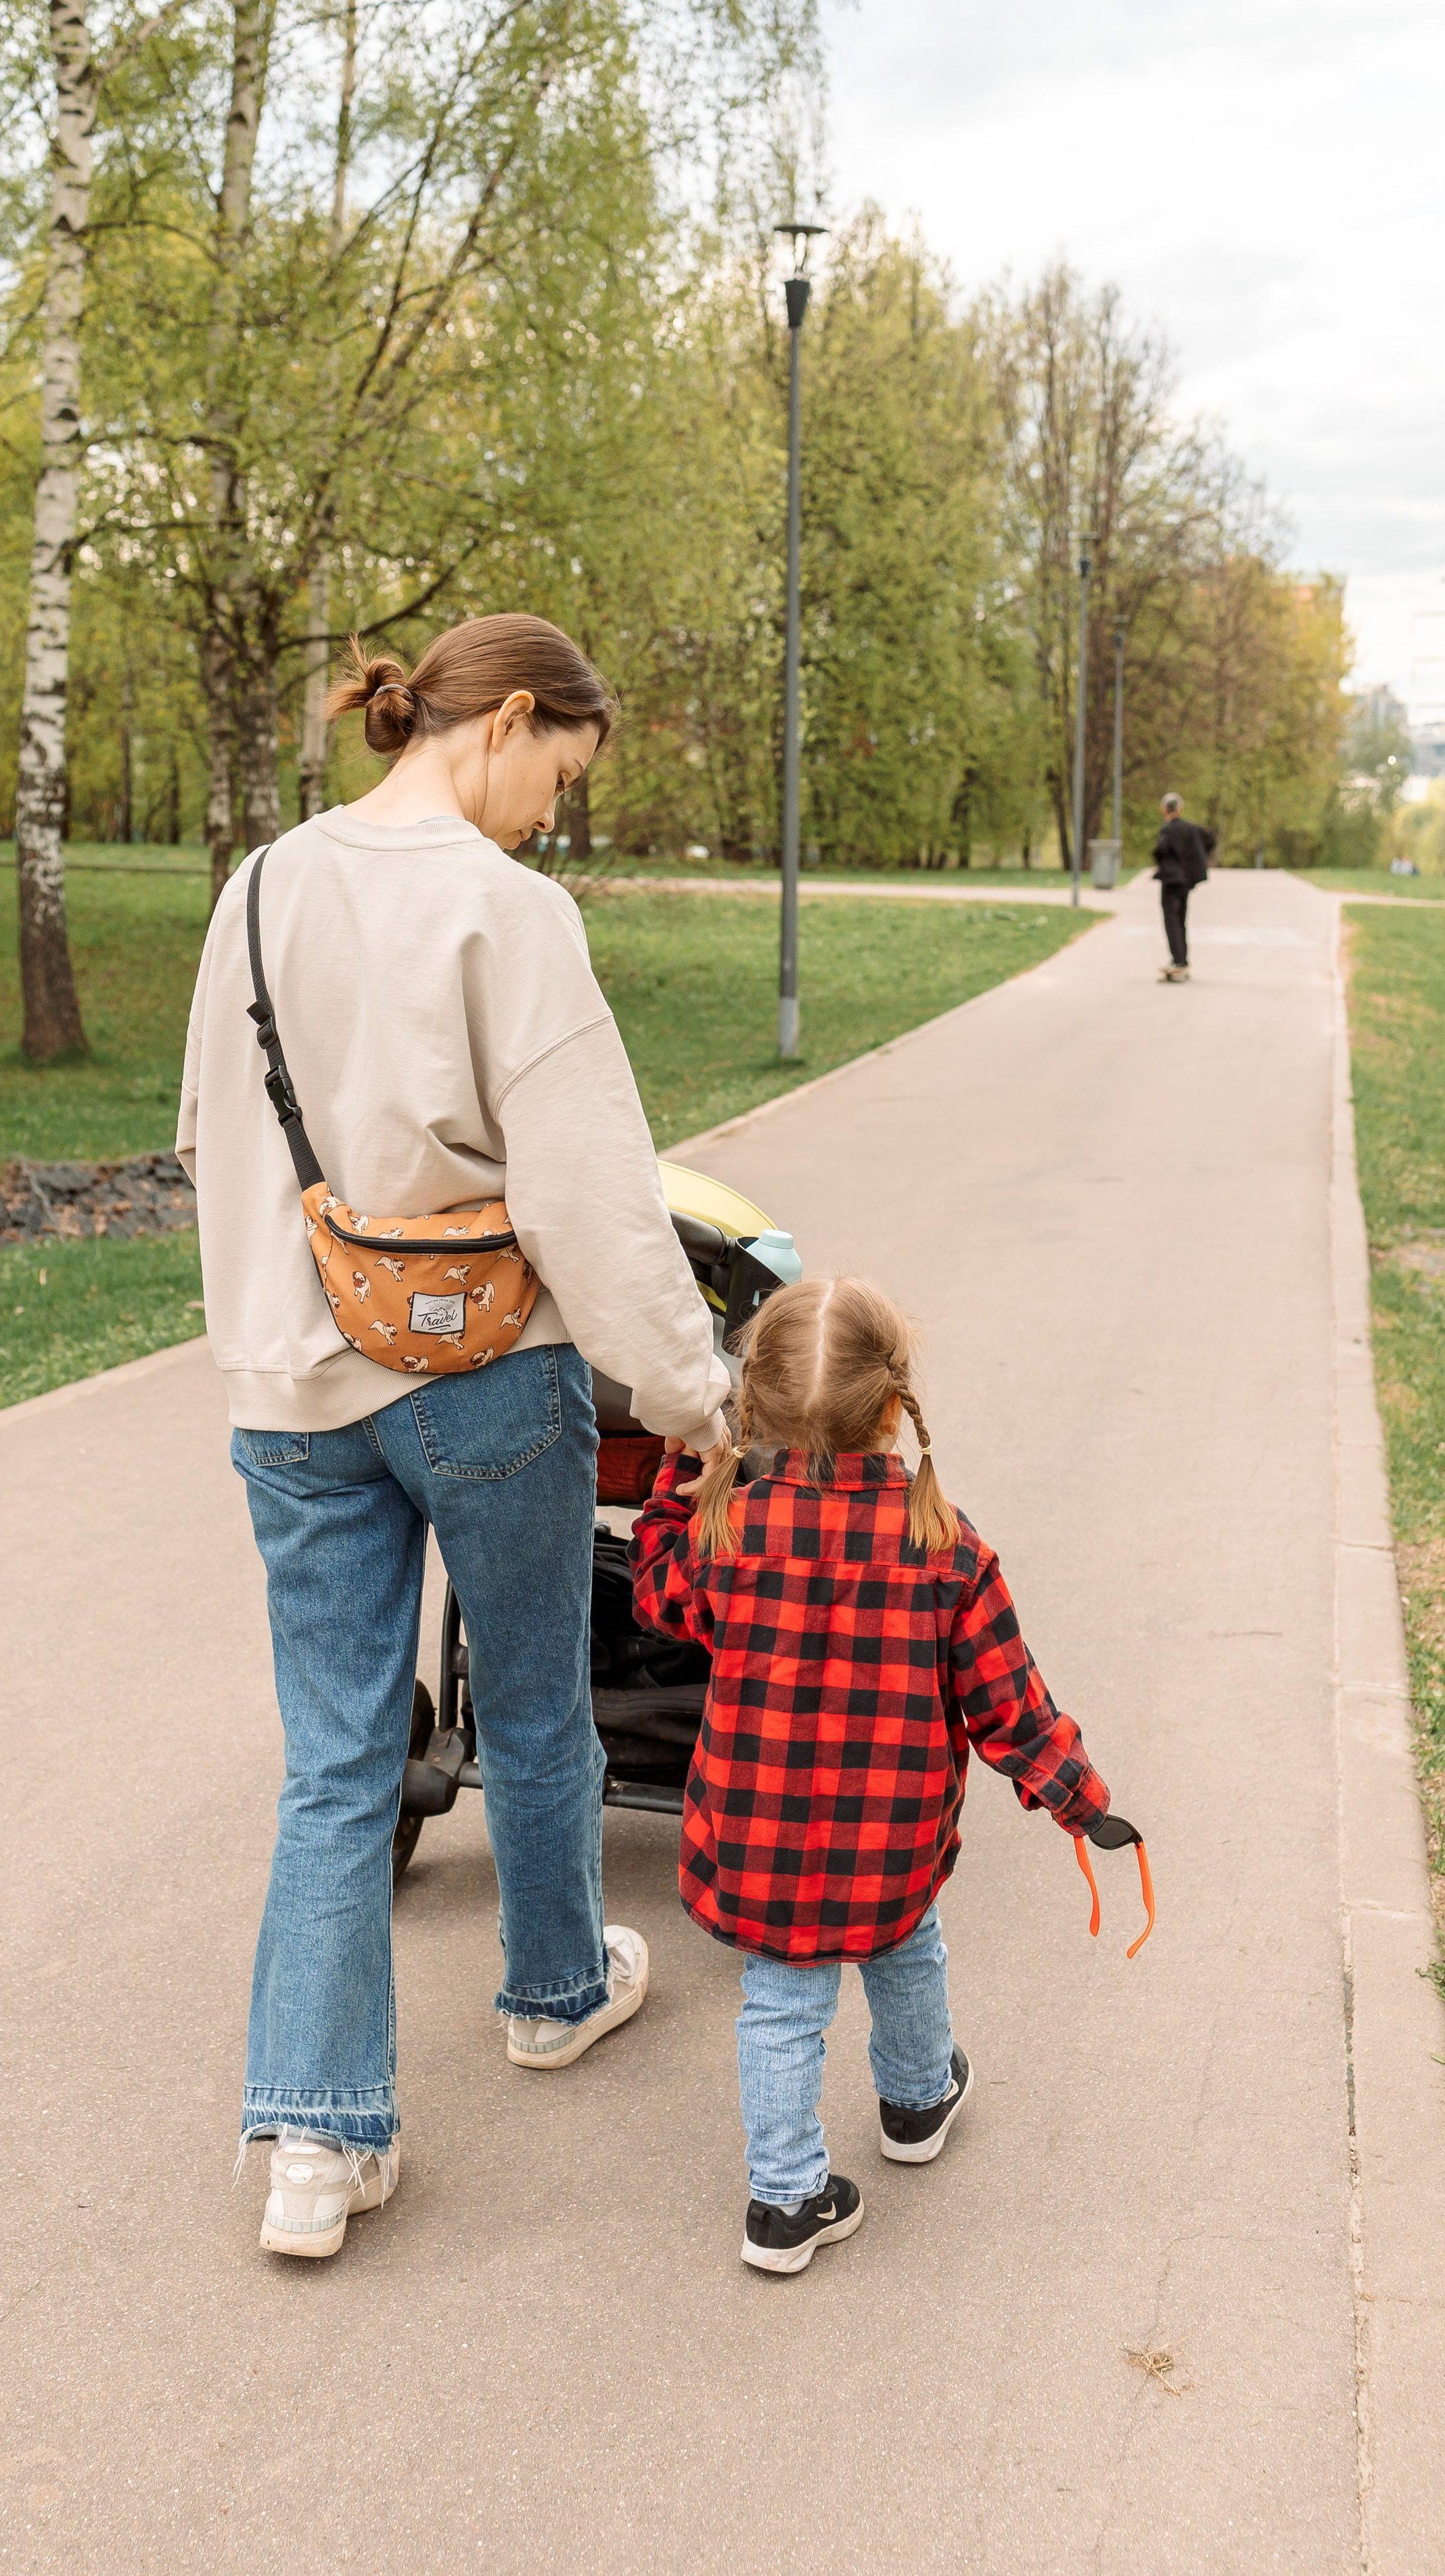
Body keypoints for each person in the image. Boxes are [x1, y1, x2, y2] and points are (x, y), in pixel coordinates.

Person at [178, 613, 730, 2259]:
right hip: (487, 1376)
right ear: (501, 721)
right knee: (538, 1692)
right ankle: (554, 1990)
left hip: (290, 1379)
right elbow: (593, 1204)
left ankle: (308, 2144)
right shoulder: (514, 916)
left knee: (337, 1755)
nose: (547, 814)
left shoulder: (261, 886)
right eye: (554, 774)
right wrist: (697, 1401)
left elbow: (210, 1131)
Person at [628, 1277, 1134, 2275]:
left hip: (758, 1835)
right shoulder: (946, 1548)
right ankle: (915, 2102)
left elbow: (656, 1604)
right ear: (894, 1407)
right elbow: (1009, 1707)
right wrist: (1081, 1799)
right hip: (892, 1838)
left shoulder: (729, 1530)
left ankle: (785, 2203)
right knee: (906, 1947)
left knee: (782, 2002)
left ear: (754, 1408)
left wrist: (665, 1495)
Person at [1151, 792, 1212, 981]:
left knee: (1171, 920)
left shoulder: (1168, 830)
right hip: (1186, 881)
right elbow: (1210, 840)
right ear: (1180, 809)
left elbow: (1160, 851)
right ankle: (1182, 959)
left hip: (1171, 881)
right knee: (1181, 920)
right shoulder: (1191, 828)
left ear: (1163, 810)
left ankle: (1178, 961)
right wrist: (1198, 857)